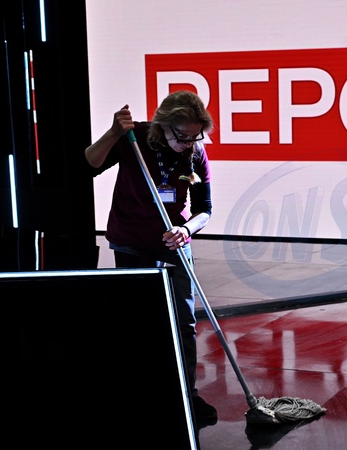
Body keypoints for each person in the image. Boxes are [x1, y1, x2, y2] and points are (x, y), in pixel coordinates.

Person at [85, 90, 218, 423]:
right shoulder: (135, 139)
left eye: (195, 136)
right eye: (182, 136)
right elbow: (88, 165)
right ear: (163, 125)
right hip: (131, 242)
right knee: (137, 321)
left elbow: (204, 209)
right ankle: (140, 393)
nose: (189, 143)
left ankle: (188, 395)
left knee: (184, 323)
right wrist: (113, 133)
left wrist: (186, 229)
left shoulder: (196, 153)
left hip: (174, 244)